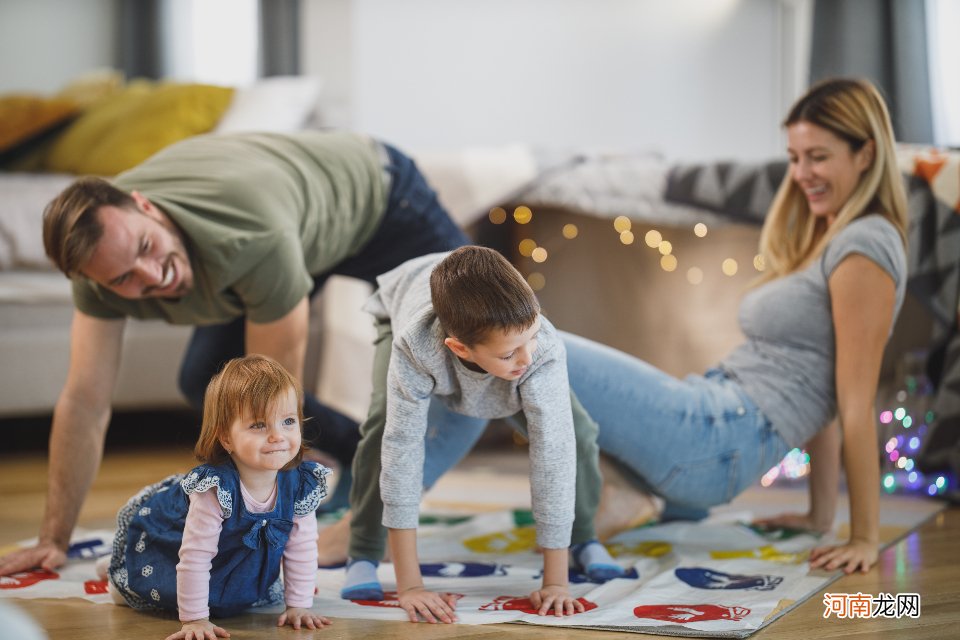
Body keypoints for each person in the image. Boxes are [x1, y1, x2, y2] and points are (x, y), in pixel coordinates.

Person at [0, 130, 468, 578]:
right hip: (293, 218)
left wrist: (267, 530)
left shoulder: (247, 234)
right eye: (124, 279)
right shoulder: (100, 265)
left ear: (146, 205)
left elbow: (273, 400)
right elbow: (84, 402)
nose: (152, 278)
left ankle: (367, 524)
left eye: (147, 247)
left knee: (467, 350)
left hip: (380, 196)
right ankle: (358, 459)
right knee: (210, 381)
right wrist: (53, 537)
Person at [563, 76, 909, 575]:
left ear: (866, 154)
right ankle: (632, 493)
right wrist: (818, 514)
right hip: (711, 414)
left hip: (717, 434)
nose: (801, 173)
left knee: (532, 346)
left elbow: (854, 402)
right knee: (519, 360)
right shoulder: (834, 233)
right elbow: (826, 391)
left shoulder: (866, 246)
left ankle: (409, 501)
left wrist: (864, 537)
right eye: (794, 157)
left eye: (818, 156)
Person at [342, 246, 622, 622]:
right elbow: (402, 448)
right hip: (404, 305)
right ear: (460, 348)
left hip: (480, 314)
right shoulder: (415, 345)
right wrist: (410, 586)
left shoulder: (539, 351)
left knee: (578, 430)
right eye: (509, 354)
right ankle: (362, 551)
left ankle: (584, 537)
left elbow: (553, 449)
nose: (525, 359)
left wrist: (556, 582)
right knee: (381, 428)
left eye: (532, 337)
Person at [102, 354, 332, 638]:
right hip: (178, 546)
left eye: (288, 421)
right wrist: (195, 619)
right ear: (226, 438)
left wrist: (299, 605)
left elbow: (302, 547)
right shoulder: (214, 489)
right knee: (139, 587)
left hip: (239, 565)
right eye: (259, 425)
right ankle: (118, 567)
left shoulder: (300, 485)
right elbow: (195, 557)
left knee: (240, 596)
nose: (278, 436)